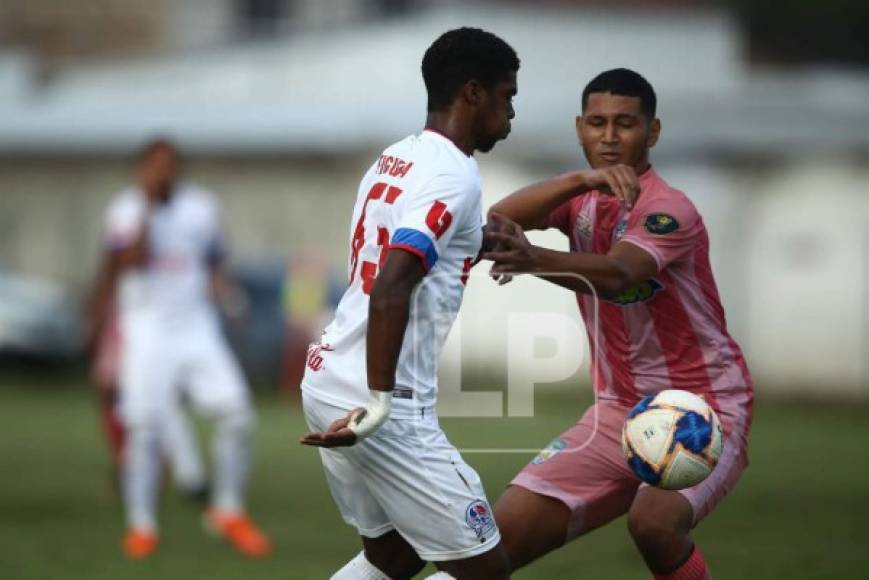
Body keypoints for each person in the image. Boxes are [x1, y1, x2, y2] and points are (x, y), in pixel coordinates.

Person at [484, 68, 753, 580]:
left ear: (651, 133)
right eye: (596, 123)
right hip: (616, 412)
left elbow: (619, 274)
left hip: (704, 405)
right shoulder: (581, 201)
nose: (609, 137)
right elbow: (498, 217)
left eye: (625, 123)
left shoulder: (669, 211)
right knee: (495, 542)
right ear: (579, 128)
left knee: (654, 523)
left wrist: (531, 259)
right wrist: (577, 179)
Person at [299, 27, 519, 580]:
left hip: (329, 377)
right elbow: (394, 281)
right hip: (378, 402)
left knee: (393, 556)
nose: (511, 112)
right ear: (473, 92)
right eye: (506, 95)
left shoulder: (396, 158)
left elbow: (423, 250)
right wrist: (379, 400)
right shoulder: (453, 173)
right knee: (486, 570)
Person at [98, 138, 270, 559]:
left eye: (169, 165)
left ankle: (227, 510)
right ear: (140, 171)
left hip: (196, 326)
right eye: (154, 166)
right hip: (148, 328)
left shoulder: (202, 206)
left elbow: (213, 261)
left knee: (238, 414)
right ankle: (141, 524)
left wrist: (228, 298)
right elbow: (129, 261)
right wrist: (148, 211)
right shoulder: (125, 209)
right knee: (143, 428)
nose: (163, 173)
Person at [88, 276, 209, 502]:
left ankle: (184, 478)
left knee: (162, 414)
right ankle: (147, 475)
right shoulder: (126, 298)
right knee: (141, 416)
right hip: (133, 359)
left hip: (151, 358)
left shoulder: (147, 293)